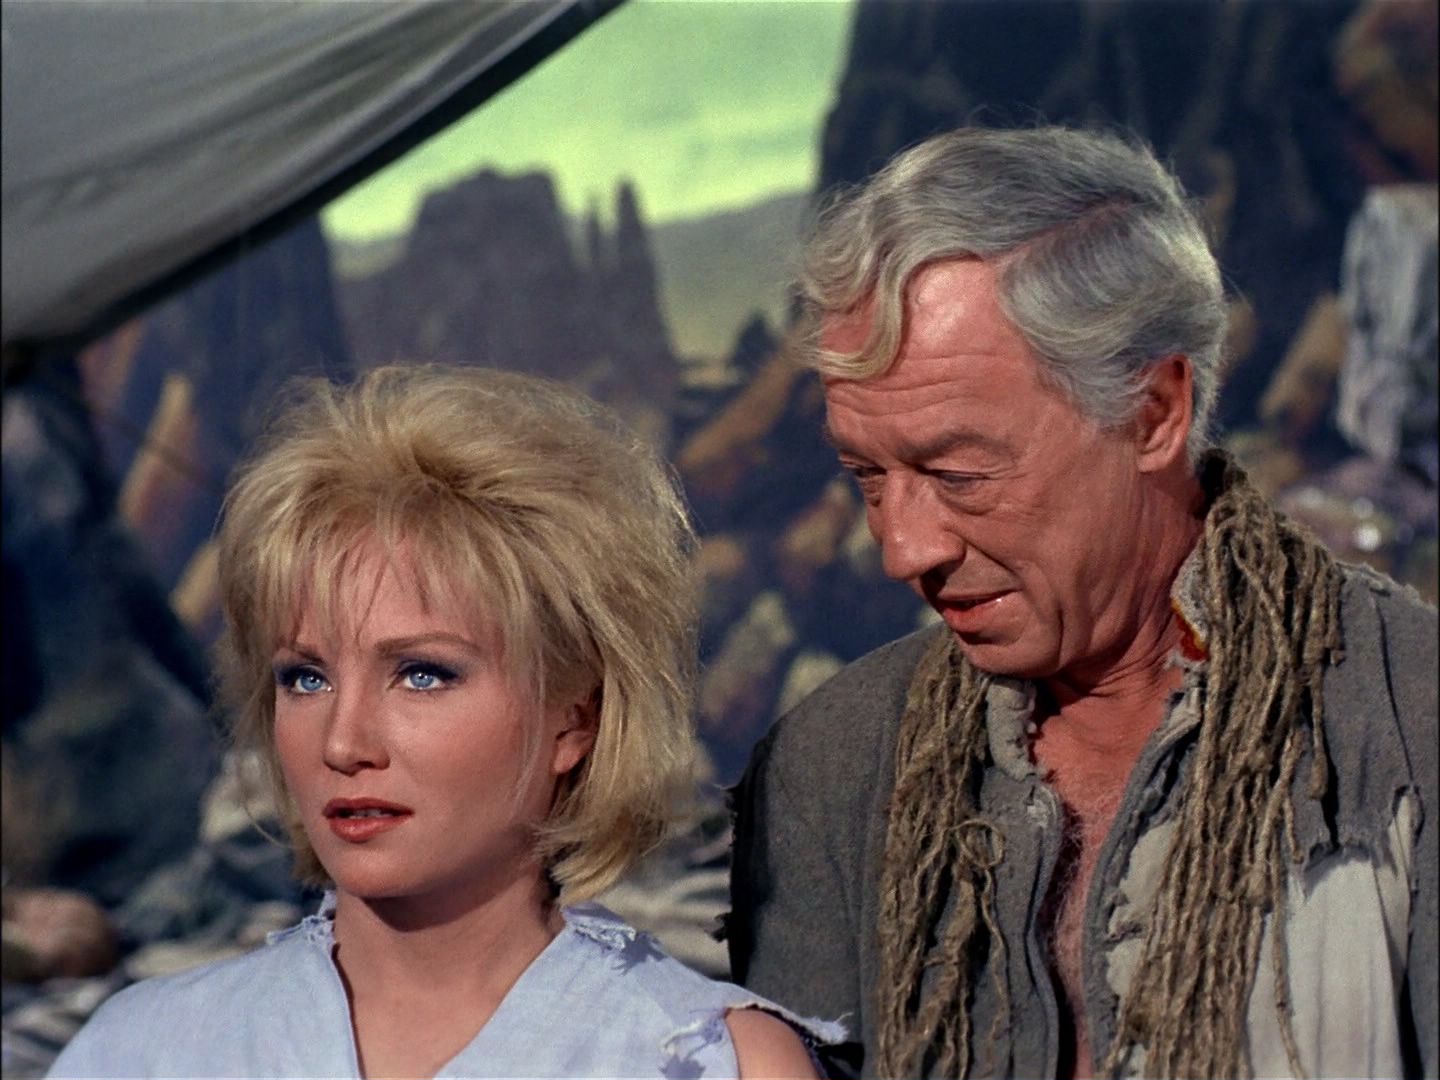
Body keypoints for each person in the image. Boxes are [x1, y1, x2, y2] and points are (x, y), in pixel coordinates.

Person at [727, 126, 1437, 1079]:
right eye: (867, 475)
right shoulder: (838, 764)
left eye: (961, 474)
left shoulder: (1406, 727)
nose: (904, 550)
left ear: (1153, 414)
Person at [50, 364, 840, 1079]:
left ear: (576, 718)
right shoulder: (140, 1053)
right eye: (306, 678)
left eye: (422, 674)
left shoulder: (710, 1062)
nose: (343, 742)